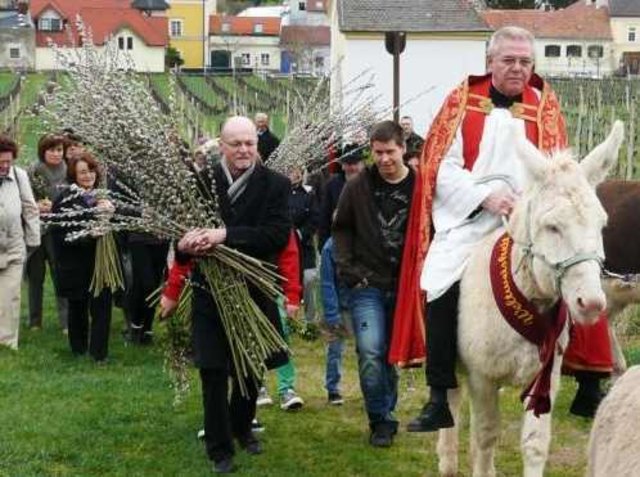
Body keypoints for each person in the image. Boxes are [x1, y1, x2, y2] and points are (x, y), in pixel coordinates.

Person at [390, 26, 610, 432]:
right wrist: (485, 198)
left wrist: (532, 207)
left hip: (529, 223)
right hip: (470, 219)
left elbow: (558, 172)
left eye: (525, 62)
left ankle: (586, 376)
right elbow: (443, 166)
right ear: (490, 62)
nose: (517, 68)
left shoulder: (544, 106)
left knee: (575, 268)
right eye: (508, 60)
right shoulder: (461, 102)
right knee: (438, 279)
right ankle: (439, 393)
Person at [167, 116, 291, 474]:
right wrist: (186, 245)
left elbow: (275, 235)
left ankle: (242, 427)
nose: (243, 150)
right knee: (213, 369)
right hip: (210, 291)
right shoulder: (199, 183)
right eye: (235, 143)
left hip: (253, 290)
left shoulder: (275, 185)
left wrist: (224, 235)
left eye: (249, 143)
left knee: (250, 368)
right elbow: (180, 240)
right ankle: (219, 447)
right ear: (221, 146)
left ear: (257, 144)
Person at [333, 120, 415, 448]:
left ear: (403, 149)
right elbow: (340, 229)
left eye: (389, 152)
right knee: (369, 350)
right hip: (367, 282)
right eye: (377, 152)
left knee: (390, 355)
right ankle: (380, 420)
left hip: (406, 284)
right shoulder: (357, 187)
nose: (383, 159)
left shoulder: (420, 186)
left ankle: (387, 409)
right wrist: (351, 271)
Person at [51, 152, 115, 362]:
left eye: (91, 171)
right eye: (83, 172)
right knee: (78, 306)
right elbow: (61, 234)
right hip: (75, 264)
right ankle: (78, 348)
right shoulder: (65, 199)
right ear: (73, 174)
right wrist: (88, 234)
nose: (88, 176)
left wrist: (110, 213)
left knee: (102, 306)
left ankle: (99, 354)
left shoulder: (102, 196)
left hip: (100, 263)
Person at [26, 133, 69, 333]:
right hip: (36, 230)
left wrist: (56, 207)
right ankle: (35, 321)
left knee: (60, 274)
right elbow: (24, 199)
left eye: (59, 150)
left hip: (57, 231)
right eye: (51, 150)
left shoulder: (69, 170)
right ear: (43, 151)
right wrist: (36, 205)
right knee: (35, 277)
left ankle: (65, 322)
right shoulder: (33, 171)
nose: (55, 154)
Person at [0, 135, 40, 349]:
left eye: (8, 161)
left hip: (14, 246)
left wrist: (32, 241)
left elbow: (30, 208)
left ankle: (6, 343)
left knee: (10, 296)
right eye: (0, 162)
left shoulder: (19, 175)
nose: (5, 166)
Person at [287, 165, 320, 324]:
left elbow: (315, 218)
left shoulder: (309, 194)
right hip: (284, 245)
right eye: (290, 171)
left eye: (296, 171)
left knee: (308, 280)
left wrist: (300, 234)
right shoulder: (279, 192)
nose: (294, 174)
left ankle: (311, 320)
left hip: (304, 245)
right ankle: (288, 319)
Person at [319, 236, 350, 405]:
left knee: (368, 353)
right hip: (339, 306)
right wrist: (332, 314)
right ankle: (333, 388)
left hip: (362, 304)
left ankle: (372, 389)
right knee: (335, 349)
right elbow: (327, 283)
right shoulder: (330, 247)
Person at [317, 144, 365, 249]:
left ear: (362, 164)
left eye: (355, 163)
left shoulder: (371, 183)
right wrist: (323, 245)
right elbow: (324, 217)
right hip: (337, 243)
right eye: (348, 163)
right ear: (342, 165)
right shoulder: (332, 185)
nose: (352, 167)